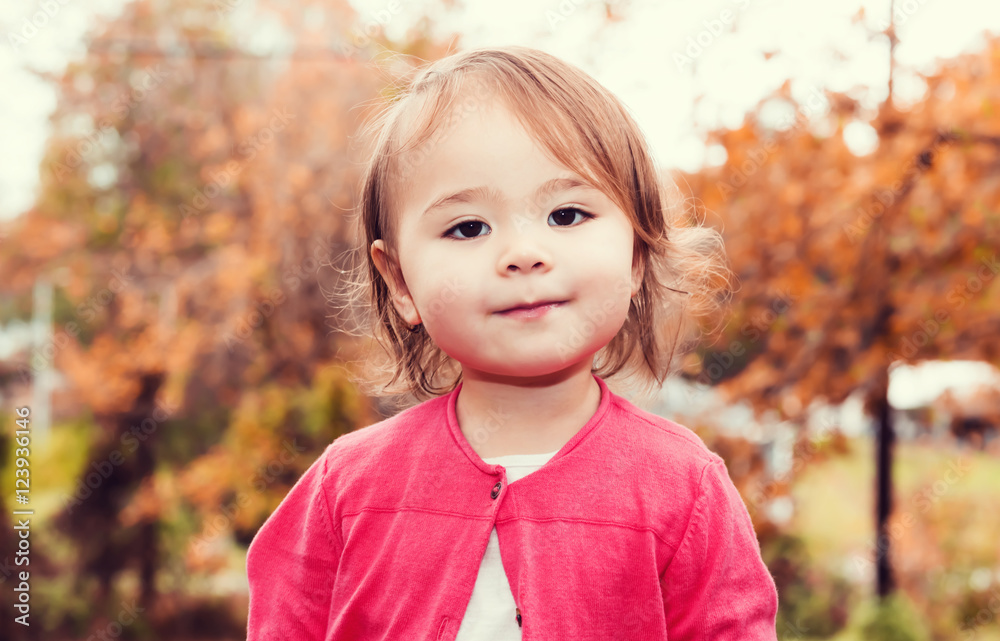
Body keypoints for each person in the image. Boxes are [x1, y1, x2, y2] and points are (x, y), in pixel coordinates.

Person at [246, 45, 778, 640]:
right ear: (400, 282)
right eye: (468, 227)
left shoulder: (684, 488)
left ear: (635, 255)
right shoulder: (346, 487)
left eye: (567, 215)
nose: (524, 254)